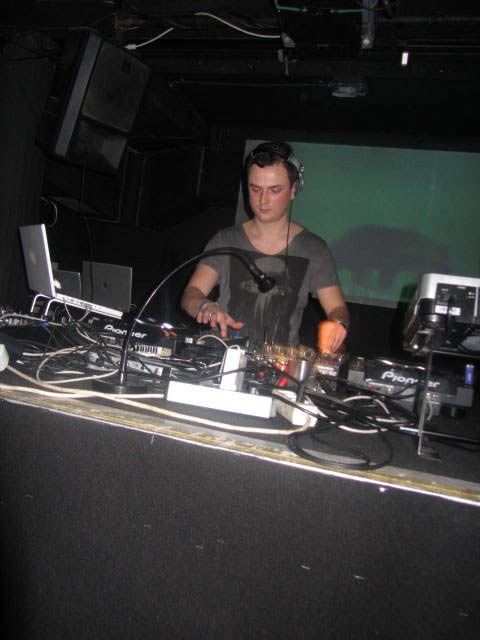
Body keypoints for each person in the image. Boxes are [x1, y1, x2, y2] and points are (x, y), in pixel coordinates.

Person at [180, 141, 349, 353]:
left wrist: (337, 324)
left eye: (274, 190)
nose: (263, 200)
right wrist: (204, 306)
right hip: (221, 357)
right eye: (255, 189)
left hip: (279, 365)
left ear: (294, 189)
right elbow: (191, 294)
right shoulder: (225, 240)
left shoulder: (314, 249)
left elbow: (337, 308)